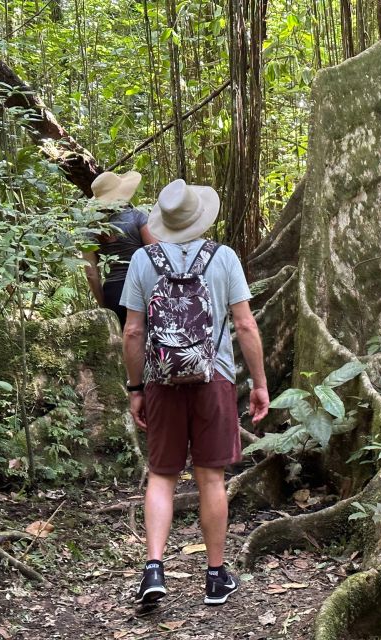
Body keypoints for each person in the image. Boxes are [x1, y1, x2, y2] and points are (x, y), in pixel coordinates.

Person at [120, 178, 269, 607]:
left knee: (162, 477)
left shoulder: (142, 261)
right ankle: (216, 577)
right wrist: (259, 384)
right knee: (211, 478)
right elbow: (244, 324)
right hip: (214, 378)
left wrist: (136, 387)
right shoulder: (223, 257)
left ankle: (153, 569)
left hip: (161, 381)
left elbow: (133, 331)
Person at [83, 170, 156, 327]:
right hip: (142, 288)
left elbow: (91, 274)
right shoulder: (137, 217)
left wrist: (105, 305)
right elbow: (155, 254)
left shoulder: (91, 229)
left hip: (113, 293)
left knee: (125, 344)